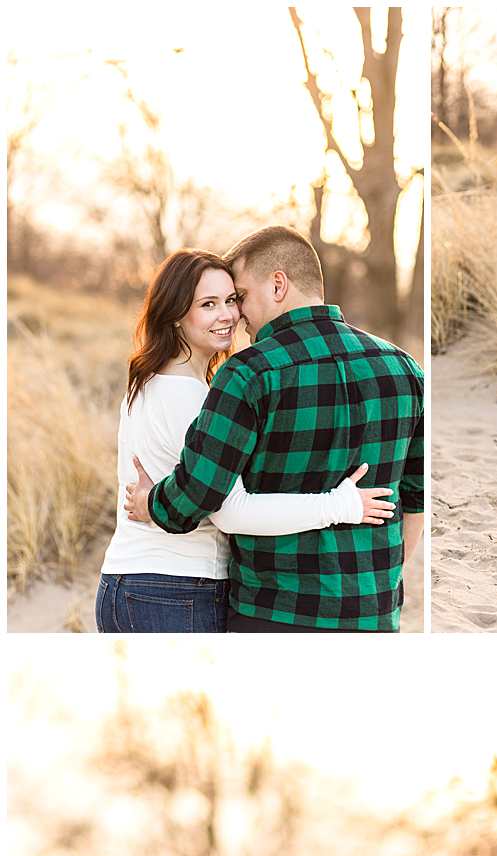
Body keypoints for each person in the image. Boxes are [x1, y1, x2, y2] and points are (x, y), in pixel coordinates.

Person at [125, 226, 424, 631]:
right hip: (372, 611)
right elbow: (416, 500)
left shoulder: (249, 373)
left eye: (240, 297)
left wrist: (152, 503)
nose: (238, 315)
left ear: (278, 284)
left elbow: (199, 493)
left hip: (272, 612)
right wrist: (379, 582)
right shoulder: (406, 370)